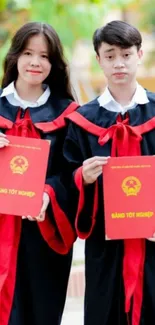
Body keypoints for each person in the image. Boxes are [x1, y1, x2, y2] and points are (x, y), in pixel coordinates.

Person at [63, 20, 155, 325]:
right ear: (98, 59)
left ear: (139, 55)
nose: (119, 63)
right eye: (110, 55)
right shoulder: (83, 120)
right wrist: (82, 178)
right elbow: (65, 176)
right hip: (106, 242)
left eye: (126, 54)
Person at [0, 22, 78, 325]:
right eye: (28, 53)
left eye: (44, 56)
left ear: (54, 63)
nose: (35, 62)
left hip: (43, 234)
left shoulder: (69, 114)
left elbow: (73, 173)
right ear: (15, 56)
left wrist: (47, 194)